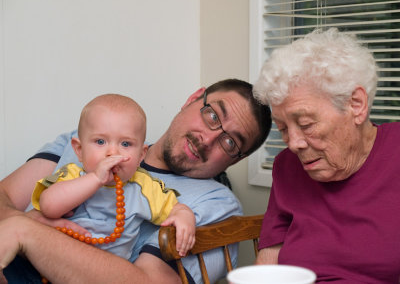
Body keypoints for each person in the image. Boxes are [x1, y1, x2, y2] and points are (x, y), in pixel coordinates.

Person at [0, 78, 272, 283]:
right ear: (193, 98)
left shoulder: (217, 205)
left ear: (235, 159)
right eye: (213, 115)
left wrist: (28, 233)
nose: (208, 138)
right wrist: (30, 223)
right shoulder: (86, 138)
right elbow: (5, 197)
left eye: (229, 142)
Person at [252, 28, 400, 283]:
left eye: (307, 124)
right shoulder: (286, 167)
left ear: (356, 105)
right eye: (283, 128)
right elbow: (267, 268)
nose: (294, 143)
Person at [31, 94, 195, 259]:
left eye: (125, 144)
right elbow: (48, 206)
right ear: (79, 150)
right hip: (56, 265)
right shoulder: (73, 174)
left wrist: (184, 217)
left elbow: (175, 208)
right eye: (100, 142)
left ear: (141, 155)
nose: (112, 152)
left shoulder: (144, 186)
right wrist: (95, 178)